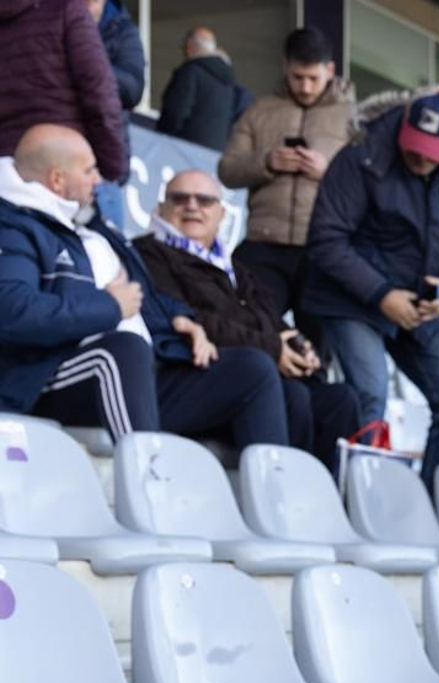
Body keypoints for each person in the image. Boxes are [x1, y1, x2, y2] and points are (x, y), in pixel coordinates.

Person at [0, 125, 287, 448]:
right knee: (122, 351)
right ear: (57, 180)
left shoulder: (97, 231)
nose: (99, 180)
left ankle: (274, 493)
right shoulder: (14, 226)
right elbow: (13, 311)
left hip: (139, 370)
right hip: (48, 377)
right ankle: (148, 485)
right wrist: (110, 307)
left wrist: (182, 319)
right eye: (89, 170)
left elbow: (141, 297)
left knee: (253, 368)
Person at [301, 85, 439, 484]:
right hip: (351, 298)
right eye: (413, 145)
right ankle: (353, 506)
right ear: (403, 121)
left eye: (431, 150)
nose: (419, 156)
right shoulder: (360, 153)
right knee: (370, 395)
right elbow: (326, 239)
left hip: (420, 303)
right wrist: (381, 295)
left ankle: (430, 513)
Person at [134, 169, 359, 471]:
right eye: (180, 198)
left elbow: (269, 317)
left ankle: (322, 503)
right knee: (288, 392)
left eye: (204, 200)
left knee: (339, 400)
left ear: (221, 213)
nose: (192, 206)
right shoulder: (148, 254)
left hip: (252, 368)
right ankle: (279, 499)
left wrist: (296, 345)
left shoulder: (234, 266)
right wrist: (271, 347)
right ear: (161, 208)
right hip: (193, 374)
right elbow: (186, 318)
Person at [218, 26, 355, 320]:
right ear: (285, 67)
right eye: (297, 77)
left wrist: (327, 172)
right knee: (251, 332)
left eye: (313, 79)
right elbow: (227, 170)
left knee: (315, 353)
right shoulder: (259, 110)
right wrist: (267, 162)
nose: (305, 87)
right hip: (263, 241)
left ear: (330, 70)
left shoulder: (353, 118)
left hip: (324, 246)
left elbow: (369, 187)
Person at [0, 0, 124, 184]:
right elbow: (100, 95)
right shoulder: (67, 10)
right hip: (68, 170)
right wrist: (111, 167)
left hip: (6, 173)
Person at [86, 0, 142, 230]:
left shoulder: (122, 28)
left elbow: (133, 89)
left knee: (106, 254)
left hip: (103, 169)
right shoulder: (42, 17)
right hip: (50, 162)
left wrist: (87, 62)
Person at [156, 27, 239, 151]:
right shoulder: (228, 82)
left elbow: (175, 113)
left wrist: (161, 135)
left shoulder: (190, 72)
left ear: (189, 46)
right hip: (214, 154)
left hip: (185, 150)